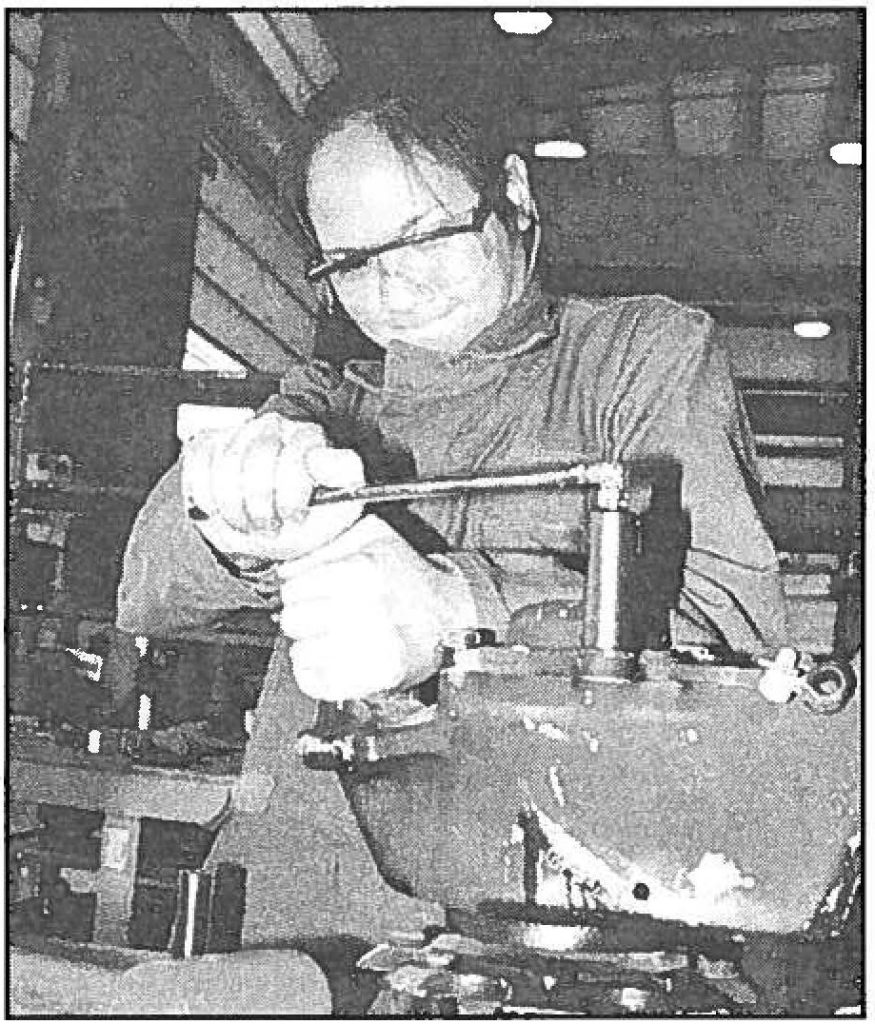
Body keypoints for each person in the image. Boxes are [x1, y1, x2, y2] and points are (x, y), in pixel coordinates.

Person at [113, 96, 791, 943]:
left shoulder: (640, 354)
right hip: (308, 889)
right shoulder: (324, 403)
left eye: (426, 233)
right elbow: (143, 589)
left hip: (569, 913)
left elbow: (725, 630)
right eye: (352, 261)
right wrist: (227, 515)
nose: (395, 285)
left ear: (511, 195)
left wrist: (453, 607)